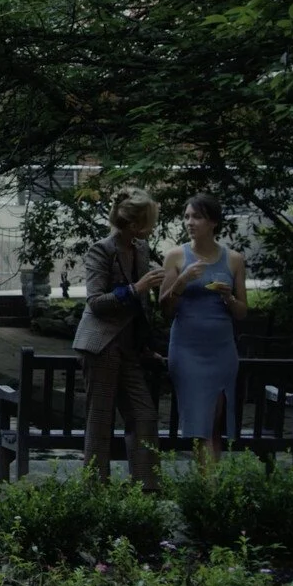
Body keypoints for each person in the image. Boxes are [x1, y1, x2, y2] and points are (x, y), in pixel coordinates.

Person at [73, 188, 168, 490]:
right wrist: (137, 288)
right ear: (134, 224)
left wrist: (146, 346)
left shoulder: (139, 248)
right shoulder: (101, 250)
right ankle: (95, 491)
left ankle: (146, 489)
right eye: (149, 222)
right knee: (100, 421)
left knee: (144, 416)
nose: (152, 228)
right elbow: (96, 302)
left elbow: (141, 308)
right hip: (101, 346)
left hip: (129, 349)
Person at [161, 193, 248, 467]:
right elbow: (165, 309)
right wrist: (182, 281)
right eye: (186, 217)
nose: (189, 222)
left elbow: (242, 312)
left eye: (196, 217)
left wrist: (228, 299)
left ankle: (211, 489)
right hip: (187, 349)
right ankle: (209, 492)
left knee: (213, 424)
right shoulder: (176, 257)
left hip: (222, 351)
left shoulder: (234, 260)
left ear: (212, 222)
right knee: (199, 423)